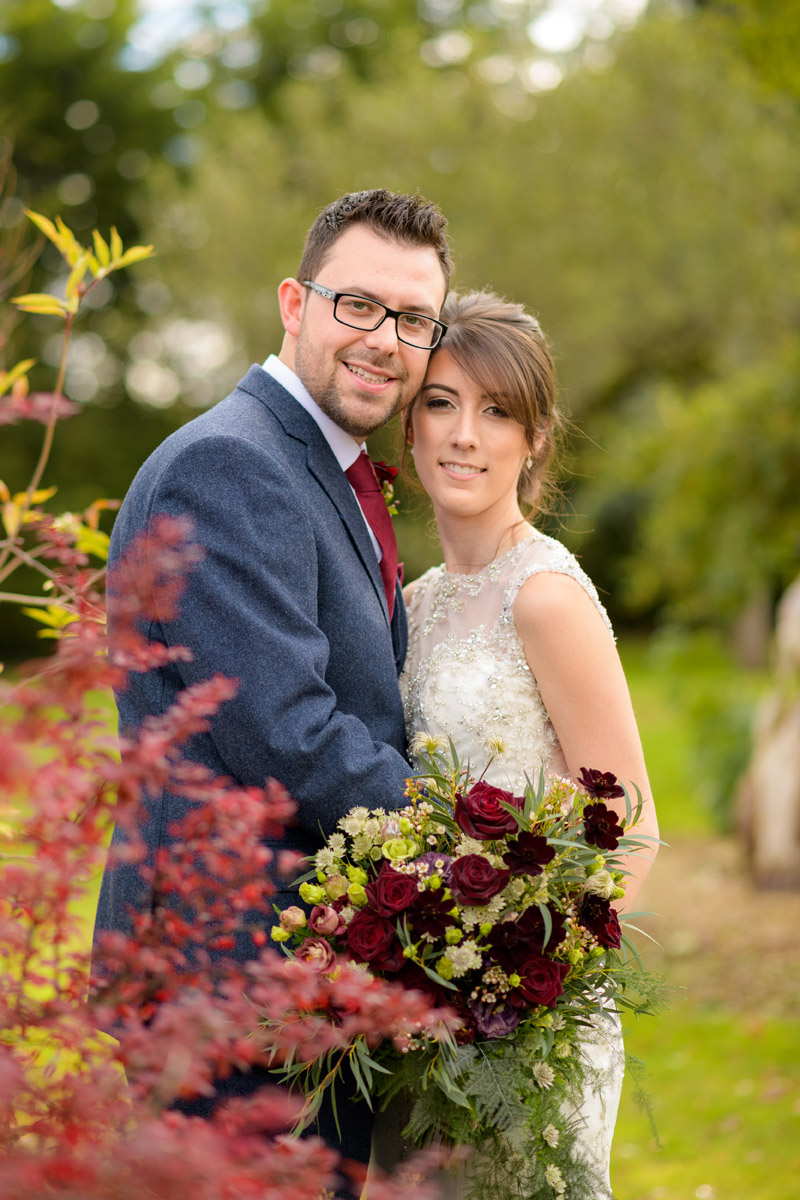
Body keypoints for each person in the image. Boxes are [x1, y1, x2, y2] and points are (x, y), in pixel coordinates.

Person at [92, 189, 451, 1186]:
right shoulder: (231, 465)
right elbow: (289, 735)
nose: (386, 340)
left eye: (414, 319)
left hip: (286, 982)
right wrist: (471, 852)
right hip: (225, 990)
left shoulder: (314, 468)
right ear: (294, 304)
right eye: (359, 306)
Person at [371, 289, 659, 1197]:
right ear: (408, 426)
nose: (465, 435)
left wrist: (521, 986)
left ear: (535, 438)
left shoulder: (544, 597)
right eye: (442, 403)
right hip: (421, 1015)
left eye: (498, 412)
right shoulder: (408, 607)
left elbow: (634, 825)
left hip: (530, 1029)